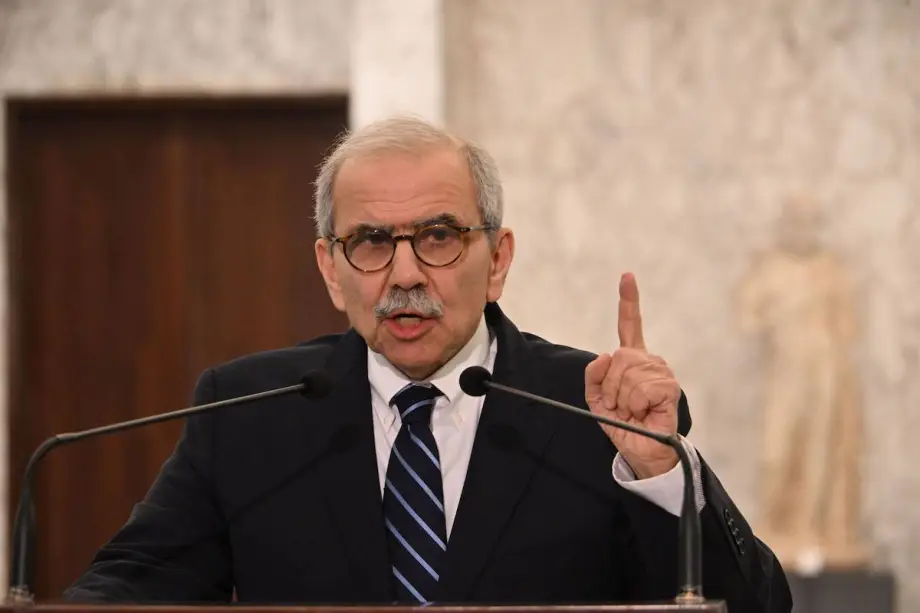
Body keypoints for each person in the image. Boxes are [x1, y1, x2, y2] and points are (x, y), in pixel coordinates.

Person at [65, 116, 791, 610]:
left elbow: (754, 606)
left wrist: (661, 473)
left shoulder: (593, 409)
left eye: (439, 237)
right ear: (330, 269)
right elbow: (133, 584)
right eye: (372, 242)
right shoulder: (250, 411)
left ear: (497, 259)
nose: (406, 274)